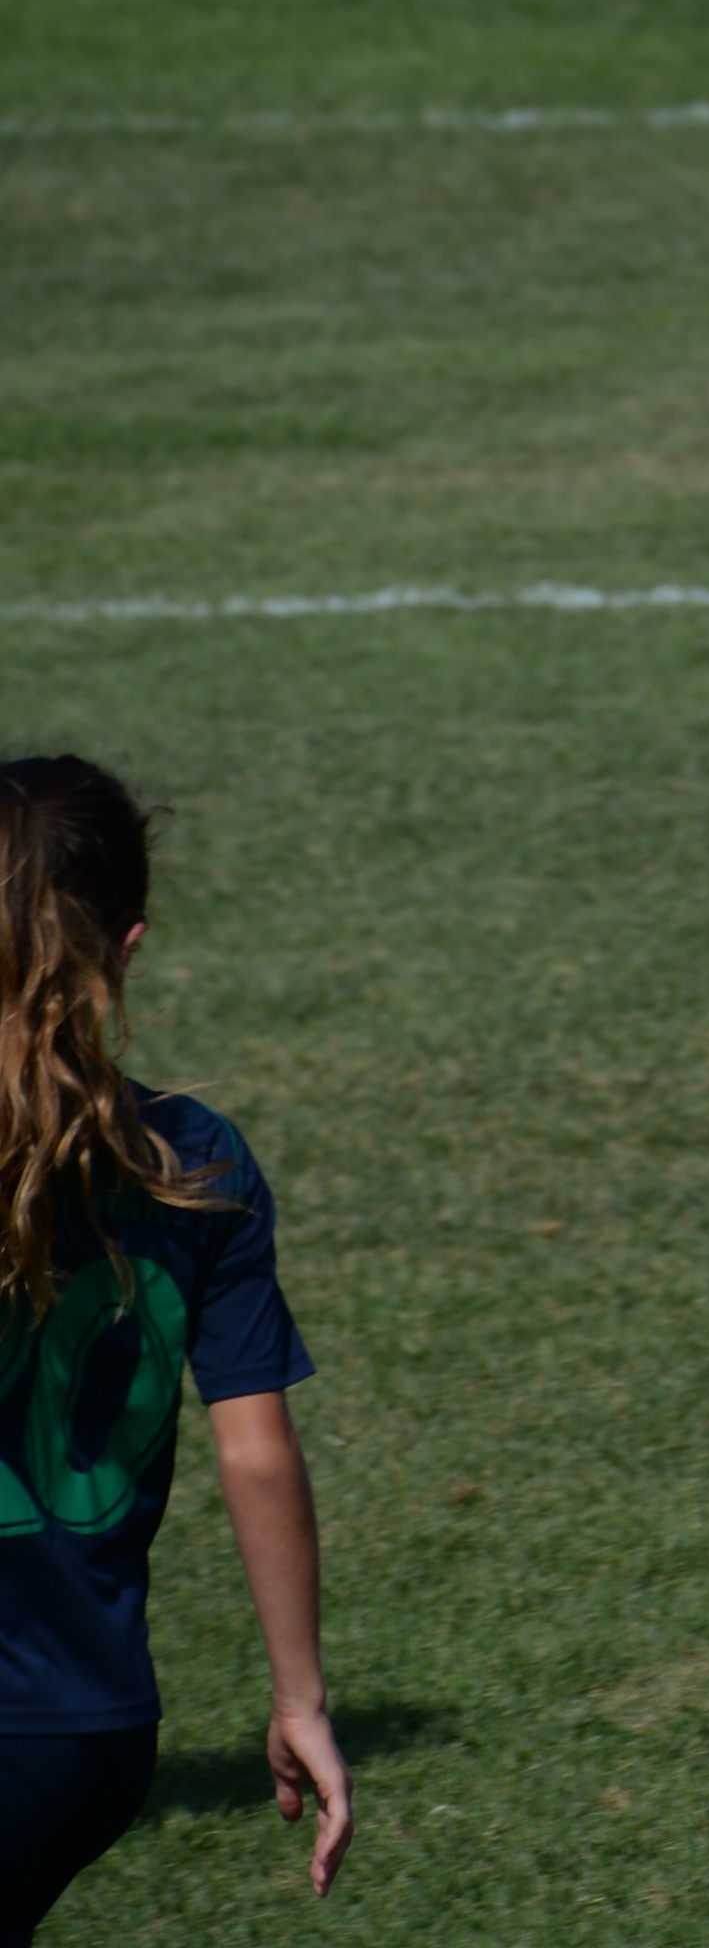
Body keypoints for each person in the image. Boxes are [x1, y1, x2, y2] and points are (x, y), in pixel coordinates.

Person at [0, 758, 349, 1939]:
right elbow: (256, 1453)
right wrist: (300, 1697)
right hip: (88, 1733)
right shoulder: (198, 1160)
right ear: (128, 946)